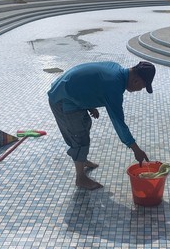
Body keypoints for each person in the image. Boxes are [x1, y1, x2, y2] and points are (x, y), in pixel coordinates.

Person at [48, 60, 155, 190]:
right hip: (62, 99)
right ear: (136, 81)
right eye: (143, 87)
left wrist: (90, 104)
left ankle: (81, 160)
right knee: (79, 137)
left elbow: (91, 81)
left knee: (85, 123)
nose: (139, 90)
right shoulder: (114, 87)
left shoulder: (116, 69)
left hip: (67, 90)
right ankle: (80, 178)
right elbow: (118, 123)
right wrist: (136, 149)